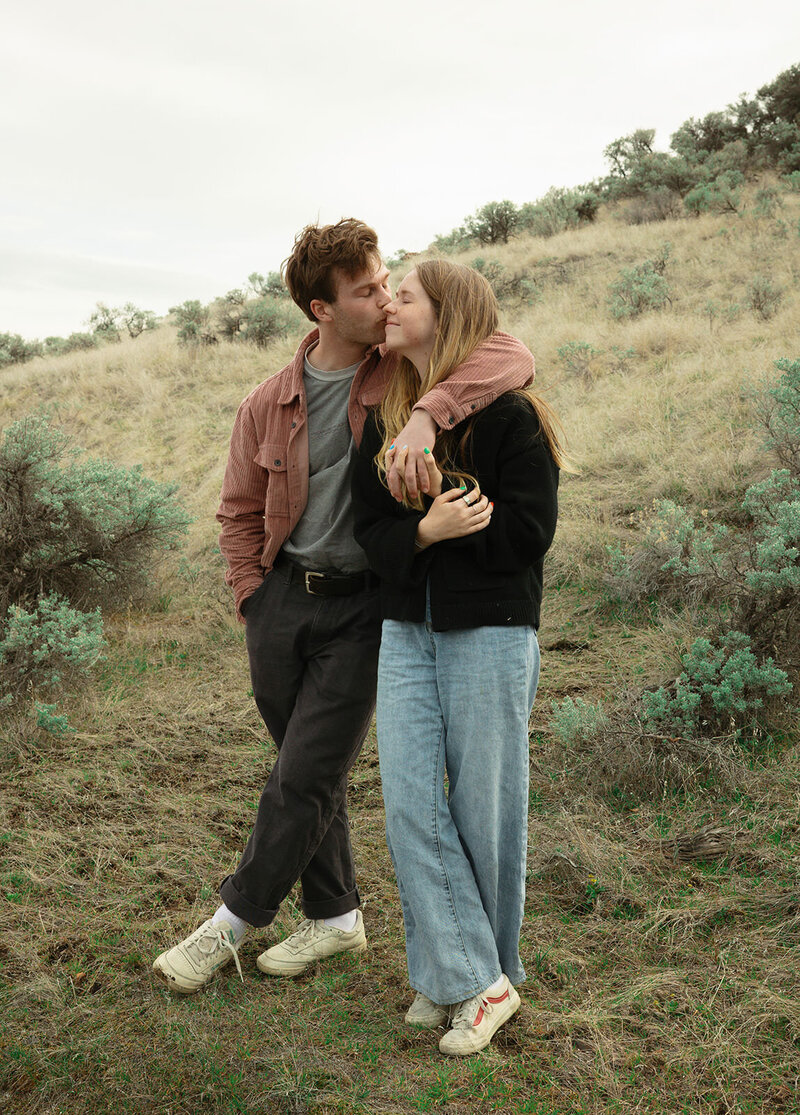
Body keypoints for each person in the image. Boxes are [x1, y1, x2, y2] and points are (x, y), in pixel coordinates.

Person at [152, 220, 535, 993]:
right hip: (282, 602)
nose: (386, 295)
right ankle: (334, 917)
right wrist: (252, 601)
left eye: (388, 280)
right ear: (322, 310)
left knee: (306, 770)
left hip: (368, 605)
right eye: (366, 289)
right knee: (307, 767)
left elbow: (513, 354)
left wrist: (427, 415)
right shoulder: (267, 402)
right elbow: (236, 511)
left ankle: (230, 922)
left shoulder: (394, 374)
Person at [351, 259, 567, 1055]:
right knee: (410, 801)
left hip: (492, 632)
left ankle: (480, 976)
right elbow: (366, 533)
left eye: (405, 295)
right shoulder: (385, 414)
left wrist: (457, 524)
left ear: (448, 315)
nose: (390, 304)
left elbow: (529, 533)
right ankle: (468, 974)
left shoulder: (512, 416)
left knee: (486, 808)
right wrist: (421, 531)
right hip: (405, 632)